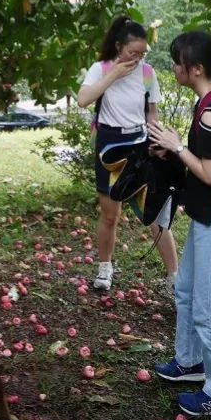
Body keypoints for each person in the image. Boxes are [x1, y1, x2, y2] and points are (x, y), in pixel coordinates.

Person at [148, 31, 211, 417]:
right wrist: (172, 152)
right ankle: (191, 363)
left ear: (197, 69)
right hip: (209, 213)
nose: (173, 67)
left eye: (177, 62)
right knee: (188, 289)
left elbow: (209, 174)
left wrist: (176, 146)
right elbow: (205, 166)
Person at [77, 15, 178, 292]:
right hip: (109, 145)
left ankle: (174, 279)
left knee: (155, 213)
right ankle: (105, 268)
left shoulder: (147, 74)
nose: (137, 57)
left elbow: (152, 115)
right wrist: (114, 74)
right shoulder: (101, 68)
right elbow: (83, 100)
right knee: (110, 215)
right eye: (132, 52)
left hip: (140, 144)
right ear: (119, 46)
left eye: (142, 53)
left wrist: (158, 141)